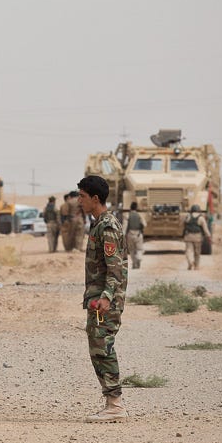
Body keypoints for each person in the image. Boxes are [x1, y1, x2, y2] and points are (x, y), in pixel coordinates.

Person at [77, 175, 128, 423]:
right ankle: (112, 402)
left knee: (103, 347)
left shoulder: (107, 226)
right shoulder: (98, 223)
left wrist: (107, 297)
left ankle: (115, 404)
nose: (79, 201)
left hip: (105, 301)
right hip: (98, 299)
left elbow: (114, 268)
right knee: (98, 347)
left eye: (82, 196)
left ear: (95, 198)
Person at [183, 204, 212, 270]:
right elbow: (205, 229)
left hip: (188, 236)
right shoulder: (201, 218)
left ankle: (190, 262)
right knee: (197, 252)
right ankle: (196, 266)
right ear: (198, 210)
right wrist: (209, 236)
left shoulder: (188, 217)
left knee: (188, 251)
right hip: (198, 237)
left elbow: (184, 226)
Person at [124, 202, 145, 269]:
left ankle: (134, 263)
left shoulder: (127, 215)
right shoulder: (139, 215)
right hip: (138, 234)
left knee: (131, 250)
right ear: (136, 208)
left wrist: (123, 235)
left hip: (130, 234)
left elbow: (125, 226)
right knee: (139, 249)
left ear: (130, 208)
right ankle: (139, 258)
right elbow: (145, 224)